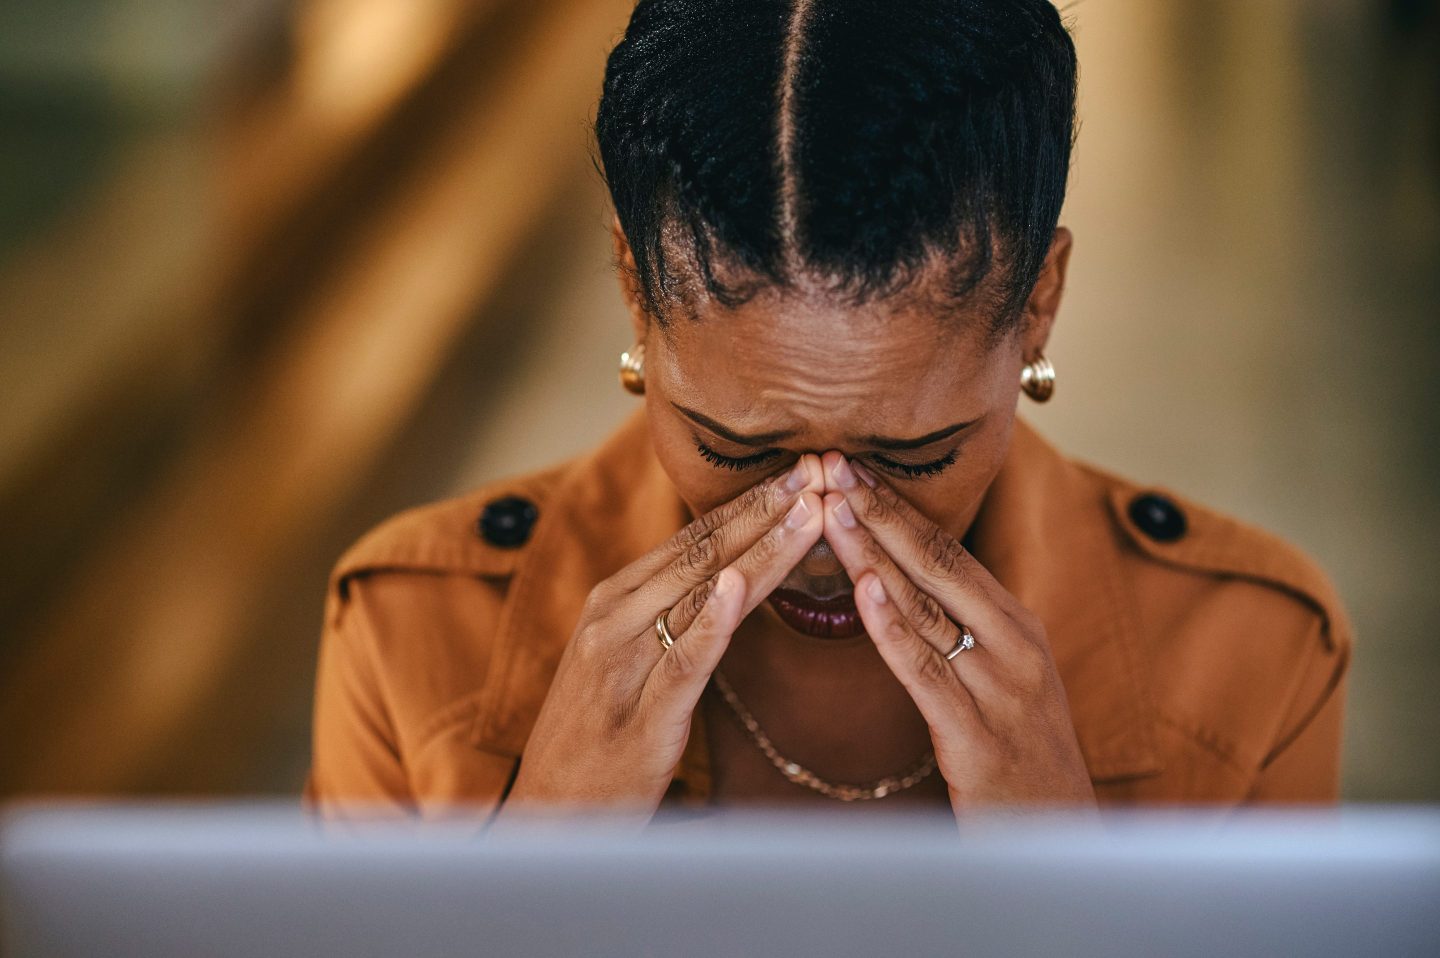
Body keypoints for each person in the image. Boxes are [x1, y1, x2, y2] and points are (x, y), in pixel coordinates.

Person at [306, 0, 1351, 823]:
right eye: (734, 446)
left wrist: (1067, 888)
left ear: (1040, 305)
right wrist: (533, 859)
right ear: (635, 291)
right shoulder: (413, 636)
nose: (823, 527)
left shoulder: (1252, 658)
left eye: (914, 455)